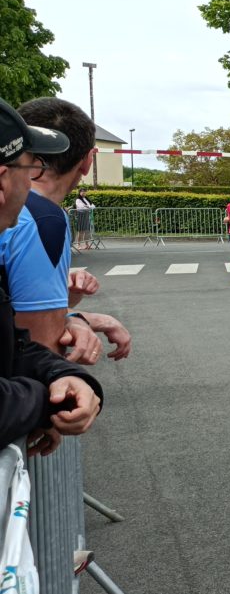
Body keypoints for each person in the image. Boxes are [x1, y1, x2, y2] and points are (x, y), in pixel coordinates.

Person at [0, 96, 103, 455]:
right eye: (26, 167)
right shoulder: (42, 217)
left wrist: (77, 316)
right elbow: (38, 337)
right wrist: (48, 407)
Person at [10, 97, 131, 366]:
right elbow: (37, 344)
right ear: (87, 161)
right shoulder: (42, 219)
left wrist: (71, 313)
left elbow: (16, 311)